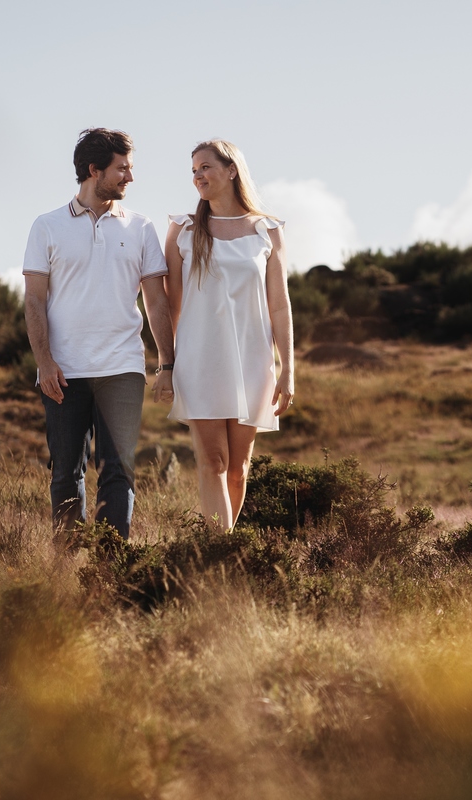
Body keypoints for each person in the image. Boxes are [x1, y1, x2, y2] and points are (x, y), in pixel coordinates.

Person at [23, 128, 175, 541]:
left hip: (122, 369)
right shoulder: (47, 226)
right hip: (63, 371)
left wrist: (167, 364)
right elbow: (34, 301)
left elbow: (156, 303)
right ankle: (67, 568)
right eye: (121, 168)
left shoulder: (141, 228)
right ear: (94, 171)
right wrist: (45, 362)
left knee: (118, 470)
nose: (130, 177)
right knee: (66, 471)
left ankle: (111, 568)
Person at [164, 139, 294, 530]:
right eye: (193, 171)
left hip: (253, 360)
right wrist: (167, 364)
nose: (198, 176)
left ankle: (225, 546)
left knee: (238, 468)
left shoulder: (266, 231)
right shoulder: (182, 230)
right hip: (200, 358)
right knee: (213, 462)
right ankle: (222, 555)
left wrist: (288, 367)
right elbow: (170, 305)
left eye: (205, 167)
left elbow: (280, 305)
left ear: (231, 170)